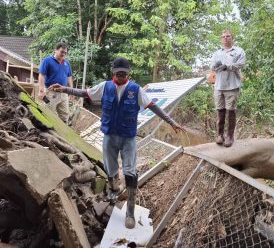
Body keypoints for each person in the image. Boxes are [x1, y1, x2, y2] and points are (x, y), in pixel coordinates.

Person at [49, 57, 185, 229]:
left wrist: (172, 122)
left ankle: (130, 211)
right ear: (113, 72)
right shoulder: (105, 86)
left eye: (124, 73)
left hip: (128, 138)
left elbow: (152, 106)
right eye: (118, 73)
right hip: (110, 136)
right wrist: (65, 89)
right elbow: (85, 93)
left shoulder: (135, 90)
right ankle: (113, 191)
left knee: (130, 172)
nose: (121, 76)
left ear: (129, 73)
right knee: (111, 169)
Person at [210, 30, 245, 147]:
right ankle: (220, 135)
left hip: (232, 85)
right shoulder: (217, 53)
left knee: (231, 111)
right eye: (223, 36)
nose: (225, 38)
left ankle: (230, 136)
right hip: (219, 86)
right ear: (221, 39)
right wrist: (217, 66)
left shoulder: (239, 51)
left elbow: (240, 64)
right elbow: (212, 66)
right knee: (220, 111)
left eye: (228, 36)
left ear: (232, 38)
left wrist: (227, 66)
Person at [38, 43, 73, 123]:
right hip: (51, 93)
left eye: (65, 53)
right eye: (62, 52)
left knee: (65, 115)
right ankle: (47, 131)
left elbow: (69, 77)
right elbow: (41, 75)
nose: (63, 54)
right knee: (48, 114)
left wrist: (71, 91)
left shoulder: (66, 63)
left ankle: (64, 132)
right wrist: (41, 90)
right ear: (55, 50)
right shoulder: (47, 61)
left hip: (64, 93)